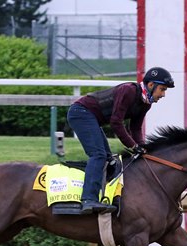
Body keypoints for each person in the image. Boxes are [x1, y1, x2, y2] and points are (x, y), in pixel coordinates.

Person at [67, 67, 175, 215]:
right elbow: (116, 122)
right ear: (151, 85)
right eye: (162, 89)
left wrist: (142, 147)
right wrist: (133, 146)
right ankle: (88, 199)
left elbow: (135, 129)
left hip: (92, 118)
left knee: (108, 159)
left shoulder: (146, 103)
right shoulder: (129, 91)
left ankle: (103, 196)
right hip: (81, 113)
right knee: (98, 155)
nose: (163, 94)